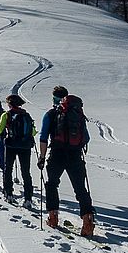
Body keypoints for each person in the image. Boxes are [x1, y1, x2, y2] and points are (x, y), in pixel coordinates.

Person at [37, 85, 94, 236]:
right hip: (75, 155)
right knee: (80, 188)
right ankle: (88, 220)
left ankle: (53, 216)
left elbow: (43, 137)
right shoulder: (77, 113)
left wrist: (42, 158)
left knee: (52, 184)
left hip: (57, 154)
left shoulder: (50, 114)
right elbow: (87, 138)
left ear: (54, 98)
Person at [0, 94, 37, 206]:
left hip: (11, 145)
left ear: (10, 104)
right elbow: (33, 132)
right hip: (25, 146)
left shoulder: (6, 115)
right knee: (26, 172)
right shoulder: (26, 115)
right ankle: (28, 198)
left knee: (8, 169)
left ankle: (9, 194)